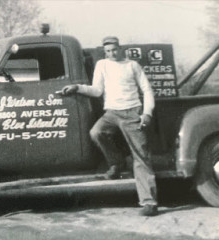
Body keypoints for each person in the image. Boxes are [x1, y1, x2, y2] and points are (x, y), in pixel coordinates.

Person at [62, 36, 158, 216]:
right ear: (104, 52)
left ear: (120, 48)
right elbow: (97, 90)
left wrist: (147, 113)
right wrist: (77, 87)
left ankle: (149, 202)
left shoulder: (132, 65)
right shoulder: (102, 65)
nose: (112, 53)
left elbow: (147, 90)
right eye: (108, 51)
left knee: (141, 155)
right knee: (97, 132)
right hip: (112, 113)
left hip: (132, 112)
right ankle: (117, 162)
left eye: (114, 49)